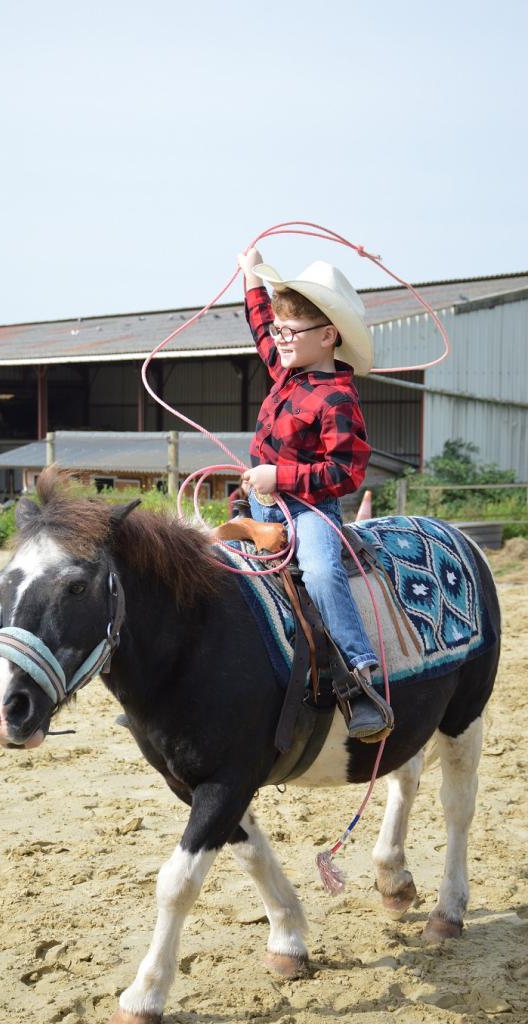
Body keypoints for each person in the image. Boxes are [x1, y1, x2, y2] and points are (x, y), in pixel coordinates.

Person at [237, 248, 393, 742]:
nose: (278, 338)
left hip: (308, 508)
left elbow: (346, 473)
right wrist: (250, 276)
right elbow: (262, 325)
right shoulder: (287, 368)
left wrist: (278, 477)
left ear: (327, 337)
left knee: (323, 572)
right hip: (260, 504)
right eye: (280, 330)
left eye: (291, 331)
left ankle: (359, 680)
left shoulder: (337, 398)